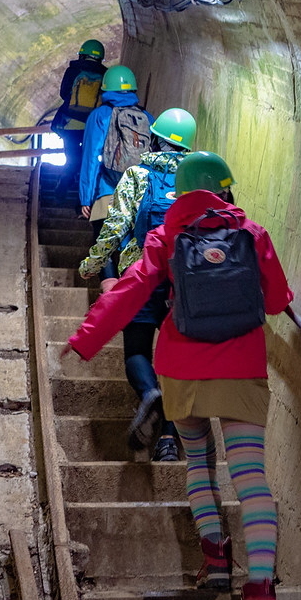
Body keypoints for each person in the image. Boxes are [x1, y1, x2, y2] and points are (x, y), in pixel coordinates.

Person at [64, 152, 293, 600]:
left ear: (183, 191)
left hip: (182, 368)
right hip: (242, 365)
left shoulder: (165, 237)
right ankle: (258, 591)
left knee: (198, 463)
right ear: (224, 190)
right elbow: (276, 301)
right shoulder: (252, 234)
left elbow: (128, 292)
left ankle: (214, 560)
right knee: (250, 475)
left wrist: (86, 337)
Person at [77, 107, 197, 462]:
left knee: (136, 352)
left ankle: (148, 394)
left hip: (142, 273)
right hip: (184, 282)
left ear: (154, 138)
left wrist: (92, 265)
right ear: (188, 147)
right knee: (176, 365)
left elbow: (115, 227)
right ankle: (168, 443)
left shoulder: (137, 174)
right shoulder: (196, 179)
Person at [77, 65, 151, 240]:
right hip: (139, 193)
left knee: (104, 249)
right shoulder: (146, 117)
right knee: (132, 247)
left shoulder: (100, 115)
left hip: (108, 190)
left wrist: (86, 199)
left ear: (105, 87)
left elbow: (91, 158)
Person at [51, 40, 107, 202]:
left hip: (70, 124)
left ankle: (61, 189)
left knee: (72, 158)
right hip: (91, 127)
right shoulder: (105, 75)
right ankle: (83, 198)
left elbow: (63, 94)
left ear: (82, 54)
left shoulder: (73, 70)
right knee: (87, 160)